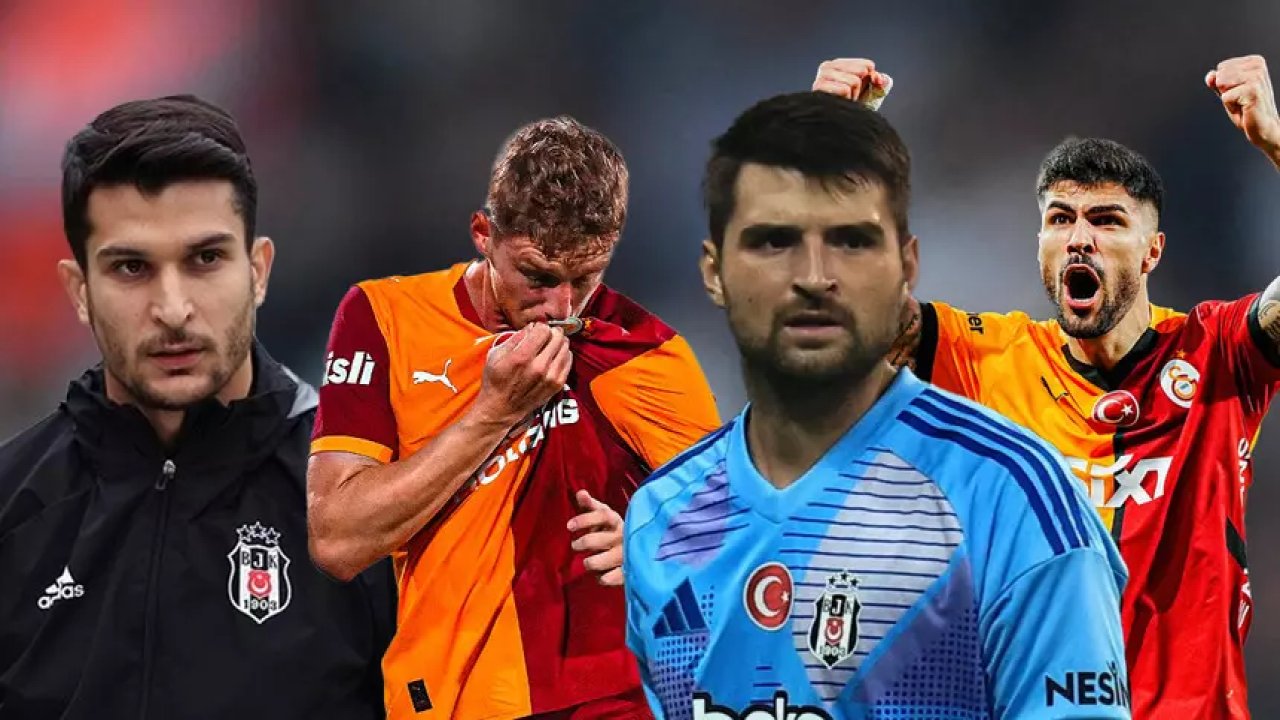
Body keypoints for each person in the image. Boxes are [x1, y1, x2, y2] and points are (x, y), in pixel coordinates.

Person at [623, 91, 1130, 720]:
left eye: (851, 241)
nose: (814, 276)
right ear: (714, 271)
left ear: (906, 267)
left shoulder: (1009, 496)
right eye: (774, 241)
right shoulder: (660, 520)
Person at [812, 55, 1280, 719]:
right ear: (1039, 243)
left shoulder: (1217, 352)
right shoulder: (986, 357)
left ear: (1152, 251)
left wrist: (1275, 143)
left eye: (1107, 220)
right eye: (1060, 219)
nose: (1079, 239)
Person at [307, 115, 721, 719]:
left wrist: (652, 541)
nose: (561, 308)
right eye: (538, 276)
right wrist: (493, 413)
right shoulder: (384, 317)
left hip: (605, 699)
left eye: (585, 277)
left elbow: (746, 539)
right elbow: (337, 540)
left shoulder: (644, 354)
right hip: (439, 699)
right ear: (483, 233)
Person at [0, 95, 395, 719]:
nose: (173, 309)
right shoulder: (14, 507)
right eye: (132, 267)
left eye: (205, 259)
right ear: (79, 291)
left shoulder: (376, 507)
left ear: (258, 271)